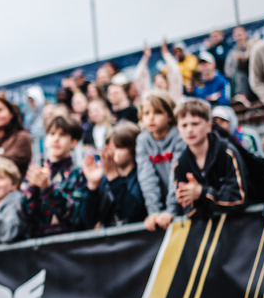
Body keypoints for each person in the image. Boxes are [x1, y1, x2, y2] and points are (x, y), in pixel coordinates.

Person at [20, 115, 96, 239]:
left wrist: (48, 188)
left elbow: (76, 217)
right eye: (52, 134)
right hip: (37, 250)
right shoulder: (34, 173)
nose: (56, 139)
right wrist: (33, 189)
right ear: (46, 140)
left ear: (73, 143)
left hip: (70, 247)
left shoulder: (79, 175)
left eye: (62, 135)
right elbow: (23, 219)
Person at [170, 99, 248, 219]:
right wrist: (199, 198)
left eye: (195, 124)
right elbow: (187, 210)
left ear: (208, 126)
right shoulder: (180, 165)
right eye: (184, 125)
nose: (189, 130)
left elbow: (238, 198)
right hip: (206, 231)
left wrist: (202, 193)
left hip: (243, 226)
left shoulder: (227, 152)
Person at [137, 91, 186, 232]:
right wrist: (154, 212)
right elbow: (147, 178)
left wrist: (171, 210)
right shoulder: (142, 140)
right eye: (146, 113)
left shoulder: (179, 136)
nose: (151, 118)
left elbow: (177, 174)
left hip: (182, 205)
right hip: (160, 209)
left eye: (158, 112)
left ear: (170, 116)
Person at [83, 122, 147, 227]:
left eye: (118, 147)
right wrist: (93, 186)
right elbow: (88, 221)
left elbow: (134, 214)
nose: (111, 152)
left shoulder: (141, 176)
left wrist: (114, 177)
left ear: (134, 149)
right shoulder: (105, 179)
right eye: (109, 147)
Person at [225, 26, 255, 100]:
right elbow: (228, 72)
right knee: (240, 75)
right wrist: (237, 63)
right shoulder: (232, 53)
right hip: (240, 80)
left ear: (245, 34)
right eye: (236, 35)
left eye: (240, 34)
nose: (239, 37)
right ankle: (242, 97)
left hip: (254, 74)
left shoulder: (254, 46)